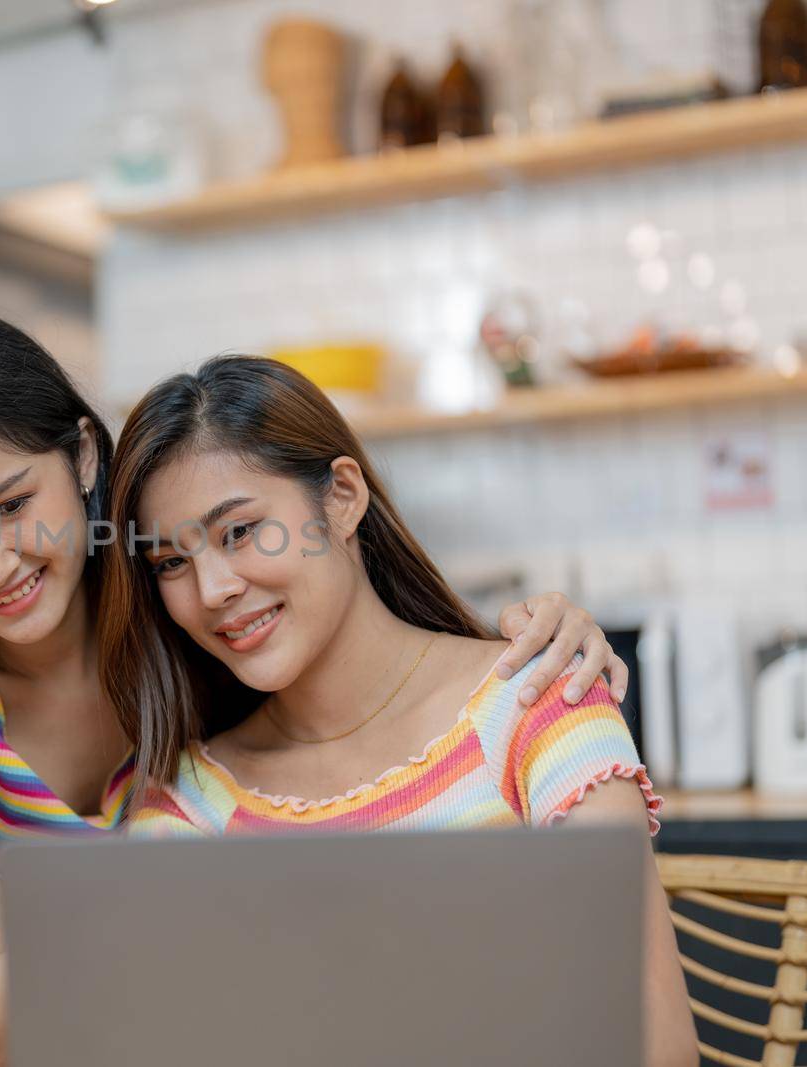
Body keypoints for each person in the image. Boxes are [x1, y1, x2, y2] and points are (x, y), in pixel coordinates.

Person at [0, 310, 633, 1065]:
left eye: (13, 505)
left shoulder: (184, 612)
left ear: (84, 455)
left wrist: (533, 635)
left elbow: (338, 623)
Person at [101, 354, 697, 1067]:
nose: (214, 587)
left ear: (343, 497)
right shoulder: (191, 804)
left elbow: (656, 1045)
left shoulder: (539, 704)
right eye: (171, 562)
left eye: (239, 531)